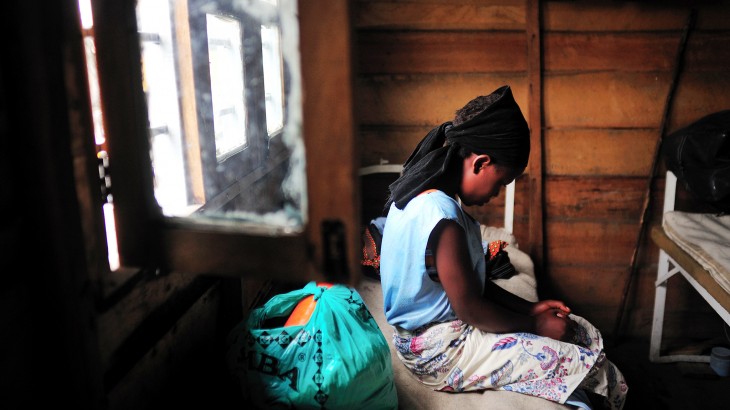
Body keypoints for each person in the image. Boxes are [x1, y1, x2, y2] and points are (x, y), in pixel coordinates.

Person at [379, 85, 627, 409]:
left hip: (428, 341)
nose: (495, 194)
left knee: (576, 331)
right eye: (500, 184)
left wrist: (529, 308)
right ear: (480, 163)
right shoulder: (441, 217)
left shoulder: (421, 194)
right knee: (583, 365)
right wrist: (536, 325)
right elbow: (470, 308)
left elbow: (473, 283)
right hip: (437, 353)